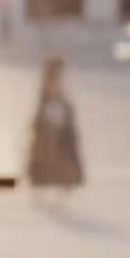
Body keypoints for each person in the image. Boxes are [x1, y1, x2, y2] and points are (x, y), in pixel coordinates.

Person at [27, 56, 83, 202]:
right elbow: (49, 95)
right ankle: (45, 185)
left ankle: (60, 185)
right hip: (51, 124)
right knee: (49, 157)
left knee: (61, 156)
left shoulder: (55, 80)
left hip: (56, 122)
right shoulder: (50, 80)